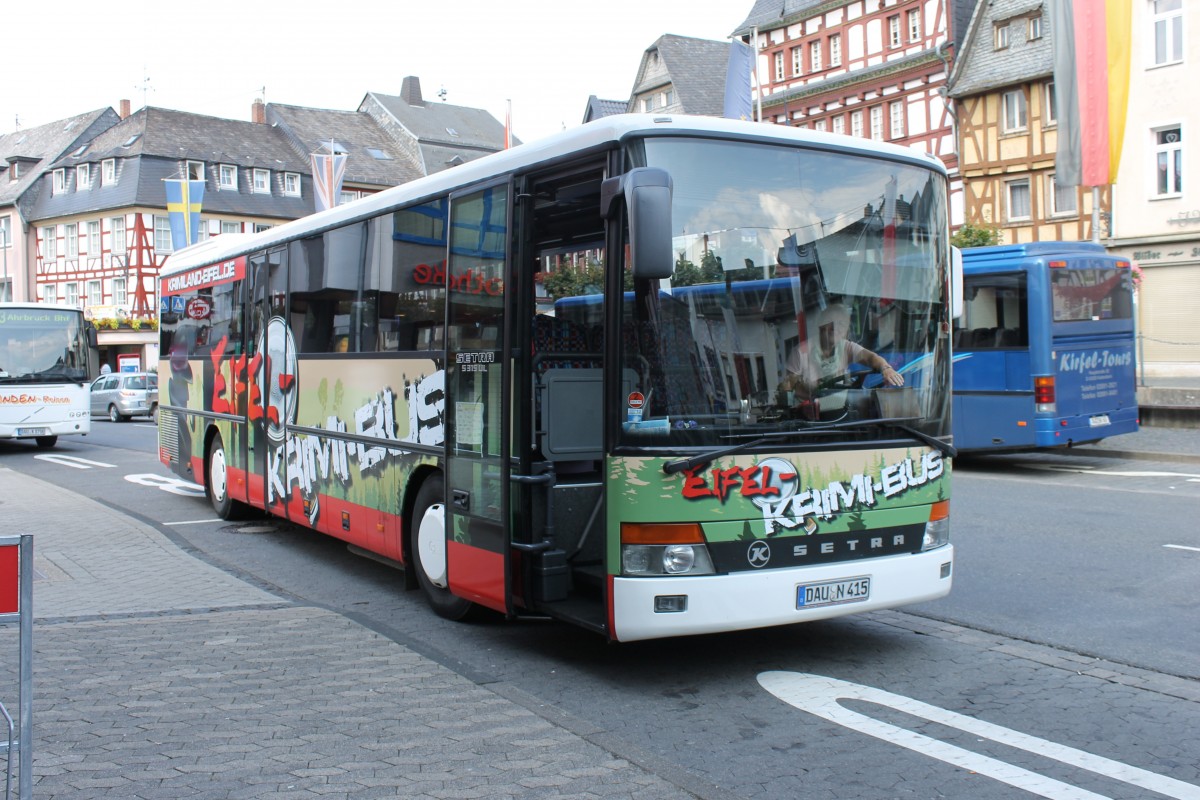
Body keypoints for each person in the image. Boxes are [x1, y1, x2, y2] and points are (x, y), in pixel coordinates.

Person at [779, 303, 903, 416]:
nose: (834, 328)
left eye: (841, 324)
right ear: (821, 325)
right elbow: (788, 387)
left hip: (839, 412)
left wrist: (885, 368)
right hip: (809, 416)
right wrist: (808, 389)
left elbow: (871, 357)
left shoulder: (847, 347)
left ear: (846, 331)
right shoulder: (801, 352)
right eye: (830, 322)